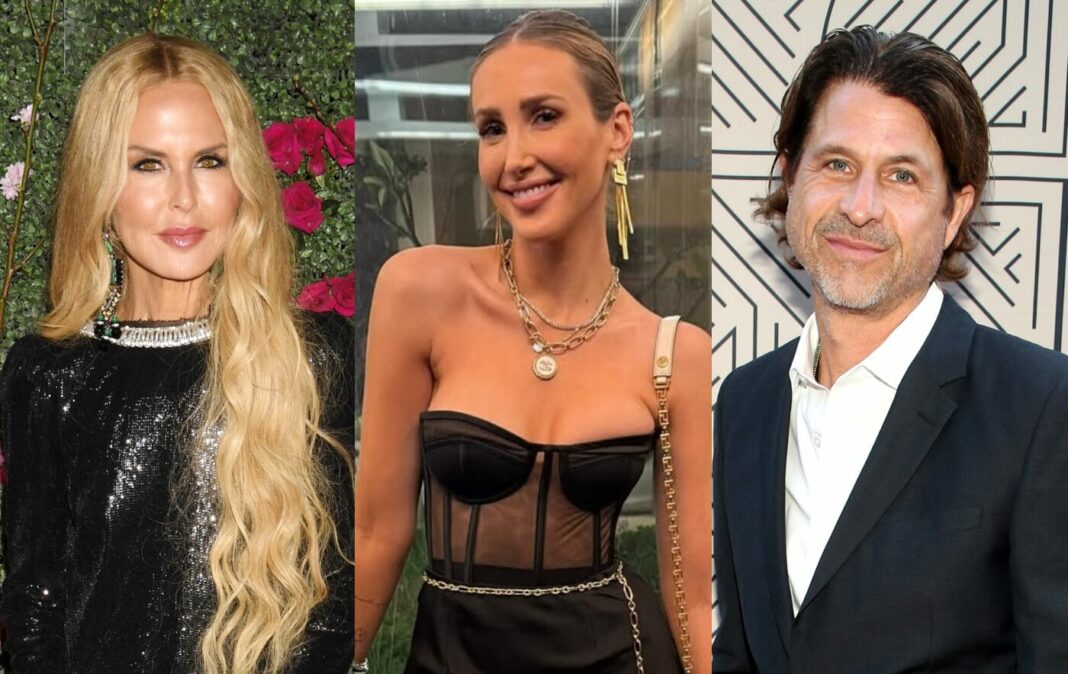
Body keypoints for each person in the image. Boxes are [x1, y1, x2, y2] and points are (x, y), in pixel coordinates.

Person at [354, 10, 711, 674]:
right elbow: (377, 531)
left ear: (617, 131)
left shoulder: (675, 355)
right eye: (492, 128)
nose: (514, 158)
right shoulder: (419, 291)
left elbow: (689, 595)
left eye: (544, 116)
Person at [713, 25, 1068, 672]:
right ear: (791, 177)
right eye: (837, 164)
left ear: (954, 211)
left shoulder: (1043, 406)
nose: (860, 207)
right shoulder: (744, 401)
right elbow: (739, 651)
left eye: (901, 176)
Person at [0, 34, 355, 674]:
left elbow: (332, 605)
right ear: (100, 187)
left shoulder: (312, 357)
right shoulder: (48, 374)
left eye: (210, 161)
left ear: (243, 179)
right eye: (148, 165)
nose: (184, 197)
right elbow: (35, 601)